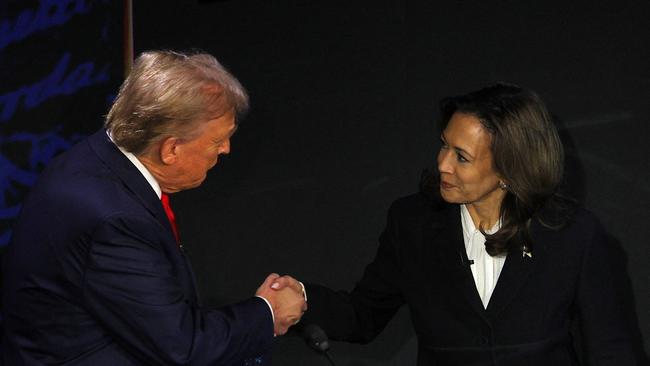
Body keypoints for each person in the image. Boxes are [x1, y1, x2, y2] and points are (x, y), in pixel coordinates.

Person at [290, 83, 638, 365]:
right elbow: (363, 315)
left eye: (462, 157)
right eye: (444, 146)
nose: (443, 164)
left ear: (508, 168)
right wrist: (300, 299)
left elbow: (612, 349)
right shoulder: (412, 224)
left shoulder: (571, 234)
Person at [1, 50, 306, 365]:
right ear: (171, 149)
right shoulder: (117, 219)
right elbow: (182, 347)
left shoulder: (94, 156)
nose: (226, 150)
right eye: (218, 141)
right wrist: (267, 313)